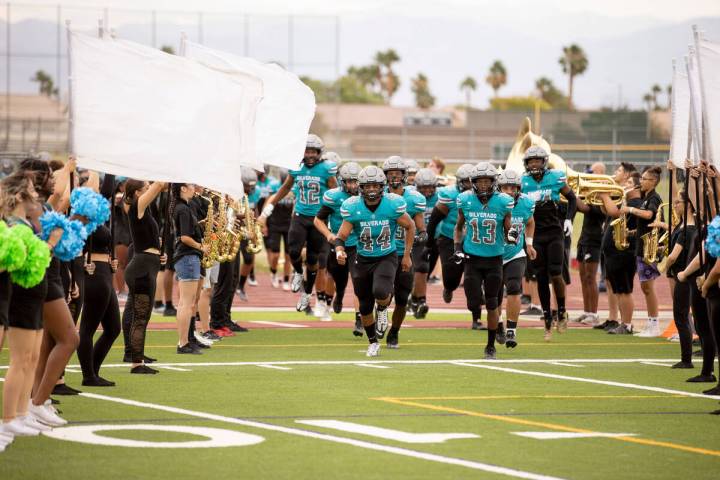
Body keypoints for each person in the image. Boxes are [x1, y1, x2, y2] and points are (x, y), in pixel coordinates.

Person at [335, 166, 415, 357]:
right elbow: (342, 235)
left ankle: (382, 308)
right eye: (367, 186)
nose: (371, 190)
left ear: (382, 186)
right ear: (361, 188)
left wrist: (406, 255)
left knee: (380, 291)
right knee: (363, 305)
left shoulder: (392, 204)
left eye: (375, 185)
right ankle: (373, 342)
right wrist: (339, 250)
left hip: (386, 256)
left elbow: (410, 226)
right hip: (363, 258)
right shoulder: (353, 207)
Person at [258, 134, 337, 312]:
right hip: (300, 215)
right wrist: (268, 209)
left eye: (312, 151)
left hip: (318, 219)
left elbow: (335, 192)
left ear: (319, 153)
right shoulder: (296, 168)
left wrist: (337, 216)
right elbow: (285, 188)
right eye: (306, 151)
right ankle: (298, 274)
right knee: (293, 250)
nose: (309, 155)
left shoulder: (326, 169)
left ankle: (307, 293)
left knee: (312, 259)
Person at [455, 162, 515, 359]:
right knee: (473, 300)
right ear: (473, 182)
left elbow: (508, 226)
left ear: (493, 182)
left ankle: (490, 345)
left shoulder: (503, 201)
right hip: (472, 258)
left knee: (491, 303)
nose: (482, 185)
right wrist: (457, 248)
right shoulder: (465, 200)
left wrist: (512, 235)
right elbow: (458, 226)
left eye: (486, 181)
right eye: (479, 181)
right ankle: (494, 325)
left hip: (494, 259)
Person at [520, 146, 578, 341]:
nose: (534, 164)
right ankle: (546, 319)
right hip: (535, 234)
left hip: (554, 231)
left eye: (537, 160)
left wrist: (569, 219)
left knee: (556, 272)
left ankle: (561, 309)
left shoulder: (555, 177)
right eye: (531, 161)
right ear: (526, 164)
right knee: (541, 277)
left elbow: (571, 198)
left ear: (544, 161)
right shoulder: (523, 182)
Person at [77, 173, 121, 386]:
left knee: (113, 328)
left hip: (105, 272)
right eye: (88, 181)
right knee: (87, 328)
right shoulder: (82, 213)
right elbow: (105, 190)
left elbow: (106, 190)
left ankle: (92, 370)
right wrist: (103, 165)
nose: (94, 184)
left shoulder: (95, 214)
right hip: (93, 273)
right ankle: (88, 375)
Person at [122, 179, 166, 374]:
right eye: (145, 188)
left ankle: (135, 355)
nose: (150, 190)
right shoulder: (136, 207)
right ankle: (136, 363)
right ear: (138, 193)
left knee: (142, 315)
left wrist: (159, 253)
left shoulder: (144, 211)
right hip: (141, 268)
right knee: (140, 316)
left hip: (147, 266)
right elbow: (158, 185)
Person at [382, 156, 426, 348]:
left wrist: (423, 234)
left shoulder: (414, 199)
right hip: (382, 252)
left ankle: (394, 332)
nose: (393, 178)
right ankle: (381, 314)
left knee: (401, 297)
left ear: (404, 175)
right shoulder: (377, 195)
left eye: (397, 174)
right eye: (390, 174)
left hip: (404, 252)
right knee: (383, 292)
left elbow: (420, 225)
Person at [314, 162, 362, 333]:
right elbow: (318, 219)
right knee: (337, 280)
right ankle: (338, 297)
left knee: (358, 281)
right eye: (349, 182)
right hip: (338, 244)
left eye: (355, 181)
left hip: (358, 244)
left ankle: (359, 319)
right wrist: (328, 235)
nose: (352, 185)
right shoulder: (333, 197)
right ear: (342, 181)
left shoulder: (367, 196)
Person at [425, 164, 475, 323]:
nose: (468, 185)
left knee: (472, 279)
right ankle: (449, 287)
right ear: (459, 182)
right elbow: (434, 220)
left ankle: (476, 318)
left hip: (474, 241)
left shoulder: (482, 197)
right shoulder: (450, 195)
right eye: (465, 182)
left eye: (470, 182)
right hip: (449, 239)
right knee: (451, 276)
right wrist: (429, 242)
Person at [594, 162, 637, 331]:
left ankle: (626, 324)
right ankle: (615, 320)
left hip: (623, 248)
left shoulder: (631, 197)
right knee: (613, 284)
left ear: (627, 176)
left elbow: (615, 212)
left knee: (623, 288)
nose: (615, 173)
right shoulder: (619, 193)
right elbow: (608, 212)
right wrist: (602, 198)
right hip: (611, 246)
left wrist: (604, 196)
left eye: (619, 170)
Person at [496, 169, 536, 348]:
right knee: (494, 294)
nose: (510, 191)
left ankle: (511, 329)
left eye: (513, 187)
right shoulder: (493, 203)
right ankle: (498, 323)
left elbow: (530, 221)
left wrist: (528, 244)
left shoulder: (526, 202)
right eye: (506, 187)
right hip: (493, 254)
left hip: (515, 253)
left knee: (514, 288)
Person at [621, 166, 663, 337]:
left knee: (648, 287)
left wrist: (630, 209)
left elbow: (648, 215)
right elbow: (645, 224)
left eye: (644, 179)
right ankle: (651, 322)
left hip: (649, 247)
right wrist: (631, 233)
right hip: (642, 245)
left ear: (653, 181)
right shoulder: (646, 197)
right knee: (645, 287)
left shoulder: (654, 197)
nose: (641, 182)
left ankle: (654, 324)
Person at [171, 183, 207, 354]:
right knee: (186, 303)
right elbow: (185, 237)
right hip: (188, 256)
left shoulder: (183, 207)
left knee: (189, 302)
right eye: (191, 185)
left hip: (188, 256)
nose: (194, 187)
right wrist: (201, 247)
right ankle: (183, 342)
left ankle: (187, 340)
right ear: (183, 188)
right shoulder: (183, 209)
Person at [575, 162, 606, 326]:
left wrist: (573, 196)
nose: (589, 175)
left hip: (594, 239)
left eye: (592, 172)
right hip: (584, 237)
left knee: (590, 277)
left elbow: (587, 209)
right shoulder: (590, 191)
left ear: (600, 173)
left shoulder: (604, 192)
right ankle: (586, 311)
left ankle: (593, 314)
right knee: (583, 277)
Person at [410, 168, 439, 318]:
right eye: (423, 187)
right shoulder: (411, 196)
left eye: (430, 187)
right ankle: (420, 301)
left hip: (434, 240)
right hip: (416, 238)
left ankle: (414, 298)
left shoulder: (441, 197)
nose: (427, 191)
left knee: (424, 273)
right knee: (421, 268)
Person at [265, 169, 293, 291]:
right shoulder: (275, 190)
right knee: (275, 254)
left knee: (288, 255)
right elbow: (267, 204)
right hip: (275, 226)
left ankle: (286, 280)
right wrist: (264, 225)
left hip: (289, 227)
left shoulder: (294, 193)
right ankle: (274, 273)